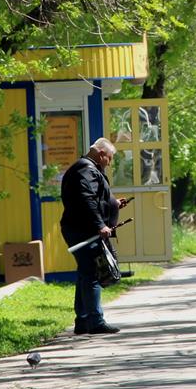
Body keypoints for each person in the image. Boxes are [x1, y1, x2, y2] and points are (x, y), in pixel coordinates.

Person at [60, 138, 129, 335]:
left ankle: (82, 321)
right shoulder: (86, 169)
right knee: (93, 273)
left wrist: (113, 203)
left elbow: (96, 197)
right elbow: (86, 199)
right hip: (83, 230)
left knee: (85, 273)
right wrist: (100, 225)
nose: (110, 162)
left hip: (80, 228)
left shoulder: (87, 169)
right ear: (101, 154)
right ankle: (95, 322)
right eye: (110, 158)